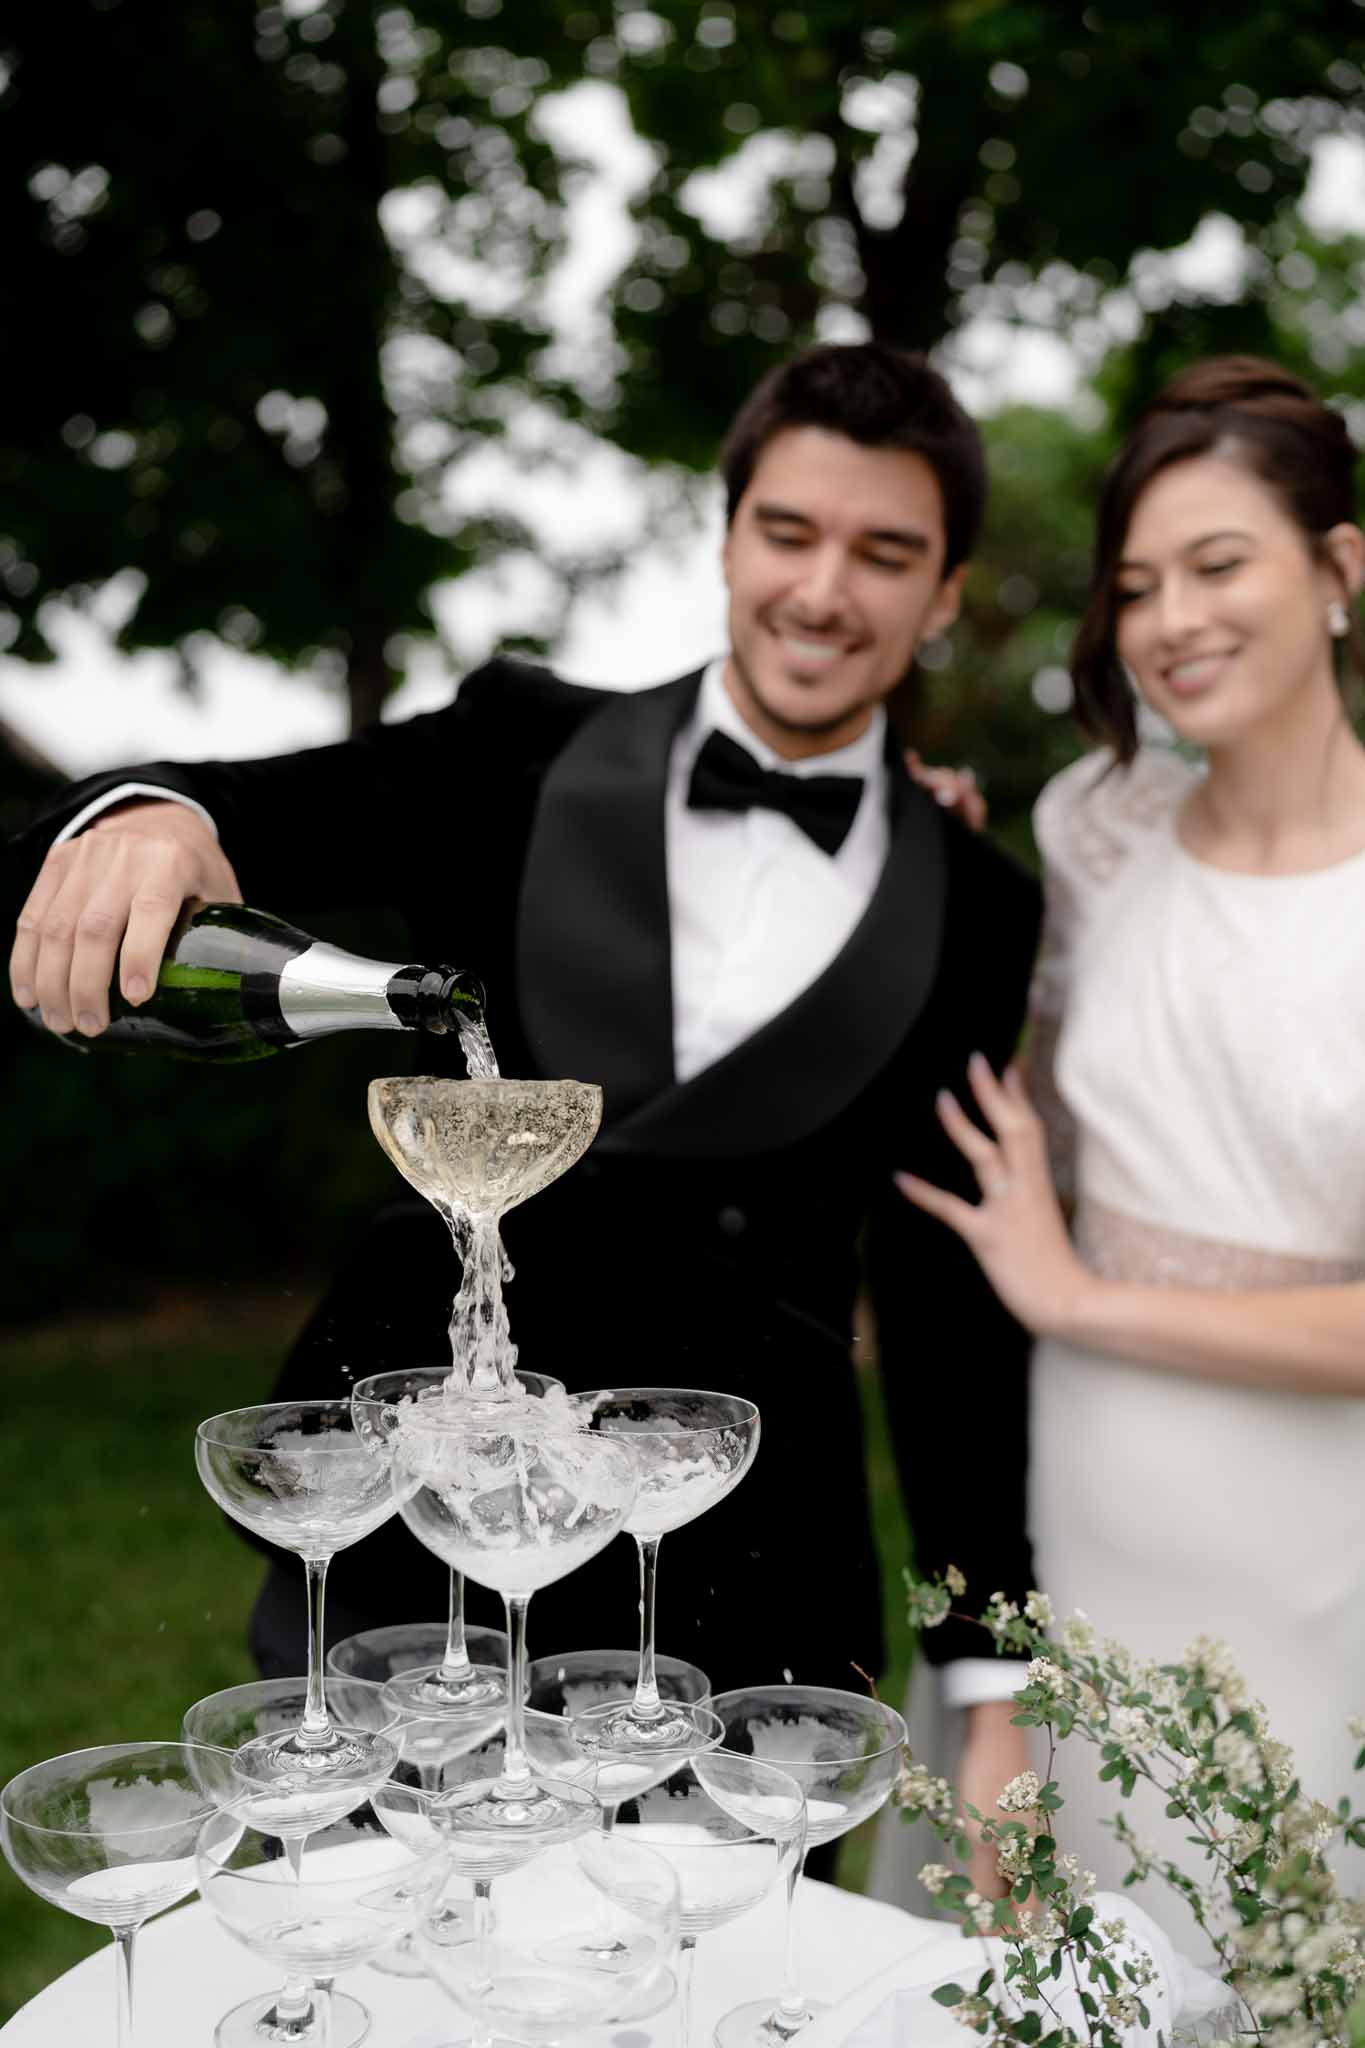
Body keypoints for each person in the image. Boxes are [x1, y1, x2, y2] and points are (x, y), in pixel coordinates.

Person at [10, 343, 1041, 1874]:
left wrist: (983, 1668)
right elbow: (268, 802)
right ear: (728, 534)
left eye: (884, 553)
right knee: (378, 1962)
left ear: (943, 591)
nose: (824, 591)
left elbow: (944, 1281)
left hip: (757, 1582)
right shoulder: (523, 746)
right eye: (789, 533)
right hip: (417, 1525)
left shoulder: (976, 902)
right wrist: (149, 811)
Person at [896, 356, 1365, 1918]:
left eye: (1219, 565)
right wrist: (900, 847)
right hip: (1083, 1502)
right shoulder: (1091, 827)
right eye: (1137, 585)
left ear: (1338, 570)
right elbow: (1019, 1086)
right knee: (1057, 1939)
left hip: (1315, 1544)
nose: (1170, 621)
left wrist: (1081, 1297)